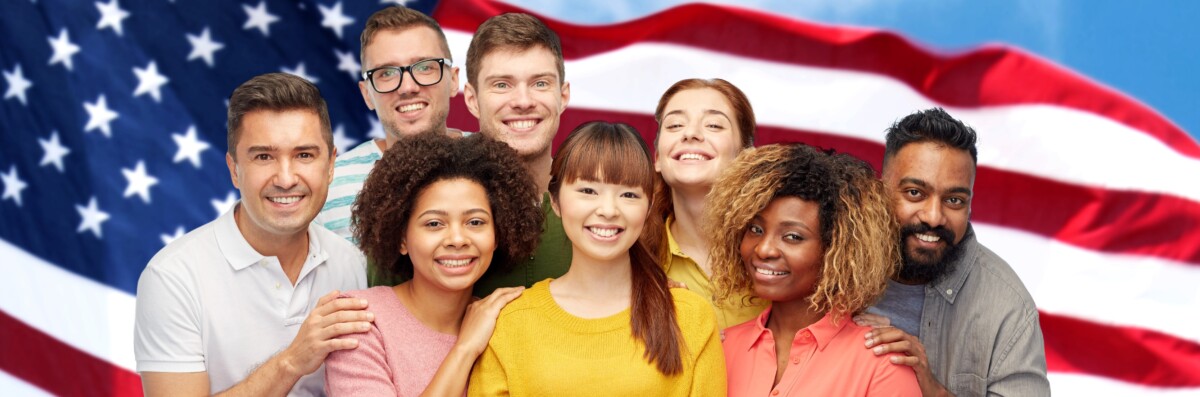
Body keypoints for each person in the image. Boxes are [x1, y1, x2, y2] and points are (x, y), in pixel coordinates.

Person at [134, 73, 369, 396]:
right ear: (234, 169)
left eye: (304, 155)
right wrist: (291, 362)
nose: (286, 178)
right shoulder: (173, 278)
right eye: (264, 157)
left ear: (330, 166)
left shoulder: (351, 263)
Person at [467, 122, 726, 396]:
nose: (608, 210)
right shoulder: (511, 322)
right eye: (588, 191)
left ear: (648, 207)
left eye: (628, 194)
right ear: (554, 201)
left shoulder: (690, 316)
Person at [324, 132, 543, 395]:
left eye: (475, 222)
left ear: (498, 235)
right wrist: (465, 348)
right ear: (401, 238)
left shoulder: (504, 323)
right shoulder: (359, 321)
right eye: (434, 224)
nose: (457, 239)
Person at [858, 108, 1049, 396]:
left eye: (954, 200)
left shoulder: (1007, 307)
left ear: (970, 205)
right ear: (880, 188)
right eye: (915, 193)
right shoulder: (827, 266)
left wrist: (933, 390)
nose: (934, 217)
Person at [706, 143, 920, 396]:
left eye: (793, 237)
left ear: (838, 249)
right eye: (755, 229)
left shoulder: (882, 365)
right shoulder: (720, 349)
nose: (763, 249)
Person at [316, 6, 462, 249]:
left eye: (425, 67)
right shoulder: (327, 187)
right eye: (386, 73)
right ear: (367, 95)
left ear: (454, 80)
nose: (407, 87)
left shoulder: (499, 166)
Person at [463, 13, 573, 296]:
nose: (523, 102)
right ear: (472, 100)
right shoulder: (428, 200)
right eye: (502, 85)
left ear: (563, 97)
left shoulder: (601, 200)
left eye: (540, 83)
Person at [648, 78, 768, 330]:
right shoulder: (633, 261)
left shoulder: (780, 255)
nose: (690, 133)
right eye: (675, 124)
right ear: (658, 158)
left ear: (746, 156)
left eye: (714, 125)